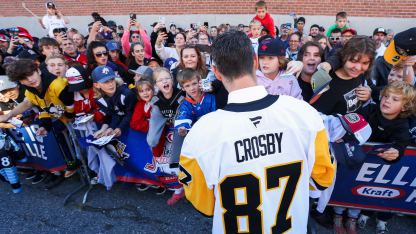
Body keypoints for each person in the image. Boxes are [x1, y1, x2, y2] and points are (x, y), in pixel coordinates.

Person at [178, 30, 335, 233]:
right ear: (254, 61)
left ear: (216, 72)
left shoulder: (200, 134)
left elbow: (205, 206)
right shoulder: (305, 116)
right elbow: (321, 181)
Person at [346, 82, 415, 234]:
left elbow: (401, 143)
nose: (387, 100)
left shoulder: (402, 125)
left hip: (373, 169)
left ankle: (359, 216)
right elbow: (350, 127)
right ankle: (339, 214)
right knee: (345, 188)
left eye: (395, 99)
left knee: (363, 193)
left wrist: (395, 152)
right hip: (353, 160)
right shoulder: (369, 109)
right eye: (385, 96)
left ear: (404, 107)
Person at [146, 67, 186, 204]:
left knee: (178, 133)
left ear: (172, 79)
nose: (165, 81)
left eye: (167, 78)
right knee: (151, 140)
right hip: (162, 111)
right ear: (156, 85)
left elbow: (182, 118)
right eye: (160, 80)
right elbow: (154, 119)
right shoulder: (157, 99)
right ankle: (179, 187)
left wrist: (175, 122)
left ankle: (183, 188)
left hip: (180, 122)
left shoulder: (181, 94)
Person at [311, 36, 375, 116]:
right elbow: (316, 117)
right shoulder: (328, 85)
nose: (358, 68)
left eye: (365, 63)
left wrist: (366, 99)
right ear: (344, 56)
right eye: (354, 61)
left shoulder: (359, 75)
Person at [130, 76, 167, 194]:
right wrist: (152, 124)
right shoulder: (140, 104)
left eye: (147, 89)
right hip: (146, 138)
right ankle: (149, 179)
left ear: (153, 89)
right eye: (141, 91)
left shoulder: (159, 101)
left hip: (161, 138)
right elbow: (134, 123)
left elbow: (164, 121)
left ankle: (163, 181)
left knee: (161, 159)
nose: (145, 93)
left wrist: (150, 123)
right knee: (147, 159)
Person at [92, 66, 137, 138]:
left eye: (112, 79)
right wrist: (109, 128)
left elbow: (130, 113)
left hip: (135, 127)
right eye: (105, 81)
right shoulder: (99, 99)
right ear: (96, 85)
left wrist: (120, 128)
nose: (111, 84)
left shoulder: (127, 94)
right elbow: (114, 114)